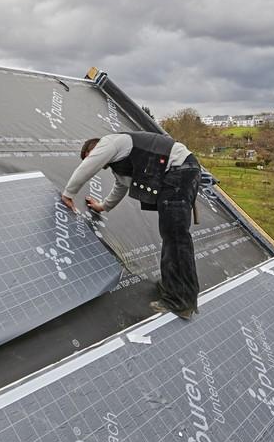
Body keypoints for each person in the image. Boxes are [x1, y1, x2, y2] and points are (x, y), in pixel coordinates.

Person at [61, 132, 202, 318]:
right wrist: (103, 207)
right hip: (179, 173)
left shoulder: (111, 142)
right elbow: (121, 186)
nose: (97, 162)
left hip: (179, 171)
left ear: (95, 148)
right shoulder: (121, 162)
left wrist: (68, 193)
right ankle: (173, 287)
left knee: (176, 236)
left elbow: (89, 166)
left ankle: (182, 300)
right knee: (171, 235)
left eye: (92, 156)